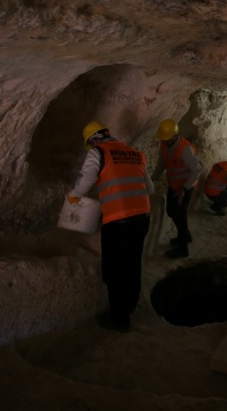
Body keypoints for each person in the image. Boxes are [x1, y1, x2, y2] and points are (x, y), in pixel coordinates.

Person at [67, 121, 153, 332]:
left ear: (94, 140)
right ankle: (131, 305)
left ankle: (120, 319)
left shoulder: (98, 153)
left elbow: (84, 184)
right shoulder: (135, 153)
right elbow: (149, 188)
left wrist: (73, 198)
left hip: (118, 221)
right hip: (142, 217)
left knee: (115, 271)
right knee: (133, 262)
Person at [150, 119, 201, 259]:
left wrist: (184, 189)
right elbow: (161, 164)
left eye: (167, 138)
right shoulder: (164, 144)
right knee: (171, 211)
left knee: (180, 214)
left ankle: (183, 248)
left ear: (175, 135)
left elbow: (196, 171)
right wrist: (150, 179)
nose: (164, 141)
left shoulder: (185, 149)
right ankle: (185, 235)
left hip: (186, 186)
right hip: (174, 185)